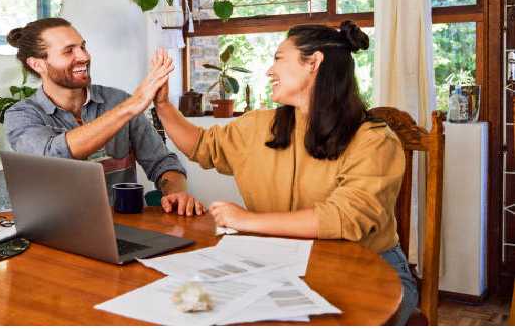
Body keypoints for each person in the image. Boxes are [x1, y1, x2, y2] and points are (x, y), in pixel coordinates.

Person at [149, 21, 417, 324]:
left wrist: (247, 220)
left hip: (371, 270)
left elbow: (345, 218)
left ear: (313, 63)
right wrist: (162, 106)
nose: (269, 70)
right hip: (280, 262)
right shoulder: (259, 126)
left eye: (279, 58)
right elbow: (202, 146)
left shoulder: (375, 140)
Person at [3, 17, 204, 216]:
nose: (84, 56)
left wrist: (177, 193)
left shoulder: (117, 101)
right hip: (58, 230)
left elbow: (162, 162)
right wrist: (131, 106)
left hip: (127, 228)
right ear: (38, 64)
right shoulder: (22, 115)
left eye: (83, 46)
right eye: (69, 50)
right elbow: (51, 155)